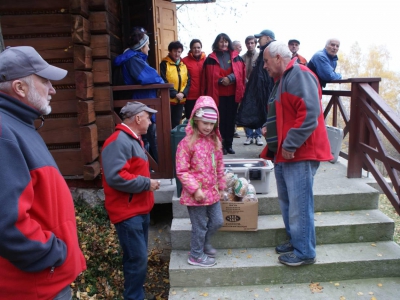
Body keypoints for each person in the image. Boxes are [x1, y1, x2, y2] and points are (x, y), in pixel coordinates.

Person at [0, 46, 86, 299]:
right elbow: (7, 223)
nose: (52, 89)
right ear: (20, 88)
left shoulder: (18, 124)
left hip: (45, 280)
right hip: (35, 286)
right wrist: (52, 254)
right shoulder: (4, 132)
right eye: (45, 81)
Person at [261, 41, 333, 266]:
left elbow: (310, 113)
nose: (264, 66)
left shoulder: (298, 74)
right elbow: (287, 112)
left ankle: (305, 252)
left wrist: (290, 144)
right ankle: (296, 240)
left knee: (299, 204)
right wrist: (269, 129)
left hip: (299, 153)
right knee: (289, 203)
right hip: (286, 153)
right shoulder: (284, 78)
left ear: (278, 58)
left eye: (265, 61)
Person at [101, 101, 161, 300]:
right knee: (137, 260)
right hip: (128, 214)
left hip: (138, 210)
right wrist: (147, 184)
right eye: (148, 118)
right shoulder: (119, 141)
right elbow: (116, 177)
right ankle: (134, 297)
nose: (150, 122)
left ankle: (136, 295)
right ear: (137, 118)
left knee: (137, 259)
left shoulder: (132, 139)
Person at [175, 95, 225, 267]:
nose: (208, 127)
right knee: (200, 225)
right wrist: (195, 190)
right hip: (195, 194)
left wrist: (222, 185)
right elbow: (182, 170)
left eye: (212, 124)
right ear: (196, 120)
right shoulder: (186, 143)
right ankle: (195, 255)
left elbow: (219, 164)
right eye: (205, 123)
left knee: (217, 221)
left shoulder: (215, 142)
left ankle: (203, 244)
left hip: (213, 191)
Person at [114, 26, 164, 163]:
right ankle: (152, 165)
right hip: (140, 101)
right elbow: (148, 76)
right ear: (141, 47)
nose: (149, 48)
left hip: (142, 100)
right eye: (147, 45)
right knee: (147, 134)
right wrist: (161, 80)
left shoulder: (134, 58)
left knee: (149, 133)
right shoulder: (133, 59)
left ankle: (153, 164)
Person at [201, 33, 246, 155]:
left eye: (226, 41)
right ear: (216, 43)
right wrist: (222, 80)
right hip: (217, 95)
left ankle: (229, 144)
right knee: (219, 121)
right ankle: (220, 145)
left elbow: (240, 73)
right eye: (221, 41)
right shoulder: (210, 59)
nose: (224, 44)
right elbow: (207, 78)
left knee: (230, 120)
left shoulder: (237, 57)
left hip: (232, 94)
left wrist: (230, 78)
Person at [236, 29, 275, 146]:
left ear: (268, 38)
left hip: (265, 90)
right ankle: (256, 138)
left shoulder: (269, 51)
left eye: (260, 38)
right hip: (256, 88)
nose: (258, 41)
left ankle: (268, 142)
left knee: (267, 114)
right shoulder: (263, 51)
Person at [160, 41, 191, 129]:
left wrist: (183, 93)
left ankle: (175, 142)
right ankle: (167, 142)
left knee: (176, 123)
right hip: (169, 100)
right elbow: (163, 80)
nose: (177, 54)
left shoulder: (183, 65)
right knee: (167, 123)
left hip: (180, 100)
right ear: (170, 51)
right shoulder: (164, 64)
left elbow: (188, 81)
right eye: (175, 51)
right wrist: (174, 93)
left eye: (179, 52)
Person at [241, 35, 263, 146]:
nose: (250, 45)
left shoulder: (260, 56)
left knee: (258, 111)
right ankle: (249, 135)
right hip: (245, 87)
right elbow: (240, 72)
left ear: (255, 44)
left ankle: (258, 135)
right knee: (247, 111)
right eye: (248, 43)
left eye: (252, 43)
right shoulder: (242, 58)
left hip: (257, 88)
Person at [182, 39, 206, 119]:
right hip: (190, 96)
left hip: (203, 95)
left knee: (202, 119)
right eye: (194, 48)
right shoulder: (184, 61)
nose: (196, 50)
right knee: (191, 119)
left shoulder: (206, 60)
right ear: (191, 49)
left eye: (198, 47)